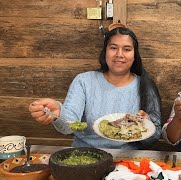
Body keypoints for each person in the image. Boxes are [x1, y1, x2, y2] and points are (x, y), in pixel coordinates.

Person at [29, 27, 161, 149]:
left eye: (127, 49)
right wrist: (58, 113)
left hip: (126, 160)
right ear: (105, 52)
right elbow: (69, 126)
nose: (119, 54)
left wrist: (146, 126)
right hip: (85, 154)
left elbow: (154, 138)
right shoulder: (84, 81)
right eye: (113, 48)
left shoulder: (145, 85)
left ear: (134, 55)